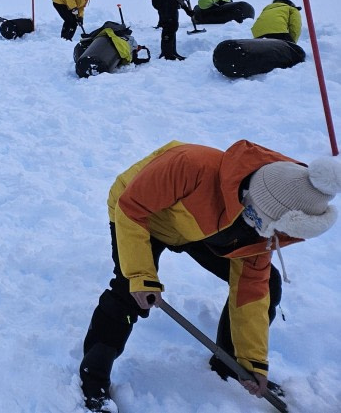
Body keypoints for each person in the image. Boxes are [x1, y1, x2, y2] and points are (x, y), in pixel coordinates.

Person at [78, 139, 341, 412]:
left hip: (198, 228)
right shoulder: (189, 165)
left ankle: (227, 363)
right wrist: (141, 276)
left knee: (268, 284)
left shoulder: (262, 230)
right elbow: (131, 208)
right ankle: (93, 376)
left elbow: (250, 290)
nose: (265, 235)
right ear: (255, 200)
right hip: (140, 213)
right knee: (129, 292)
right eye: (261, 223)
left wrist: (251, 361)